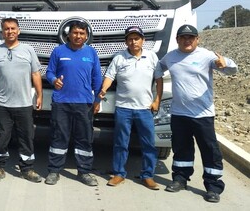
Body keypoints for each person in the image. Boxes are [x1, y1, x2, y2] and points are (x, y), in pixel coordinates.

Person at [158, 24, 237, 203]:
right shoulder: (170, 57)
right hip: (179, 114)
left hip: (203, 114)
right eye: (183, 37)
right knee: (181, 148)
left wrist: (226, 64)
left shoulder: (207, 56)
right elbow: (157, 70)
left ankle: (213, 187)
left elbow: (232, 70)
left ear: (197, 39)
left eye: (191, 38)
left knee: (210, 150)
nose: (187, 41)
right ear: (177, 39)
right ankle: (180, 179)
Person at [0, 18, 44, 183]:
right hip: (2, 104)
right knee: (0, 137)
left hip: (24, 104)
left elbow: (36, 74)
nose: (10, 31)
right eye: (6, 29)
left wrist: (40, 95)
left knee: (26, 138)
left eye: (13, 28)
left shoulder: (28, 50)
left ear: (18, 31)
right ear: (2, 32)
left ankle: (27, 169)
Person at [94, 26, 163, 190]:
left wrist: (157, 101)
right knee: (120, 143)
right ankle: (119, 174)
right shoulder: (119, 57)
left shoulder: (152, 57)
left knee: (148, 144)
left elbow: (159, 79)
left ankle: (148, 176)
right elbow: (109, 77)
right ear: (126, 42)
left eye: (137, 38)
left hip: (145, 109)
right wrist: (101, 94)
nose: (134, 41)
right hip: (123, 108)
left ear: (143, 40)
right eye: (130, 39)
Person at [44, 20, 102, 186]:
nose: (78, 36)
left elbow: (97, 78)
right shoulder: (59, 51)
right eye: (75, 33)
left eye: (82, 34)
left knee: (84, 139)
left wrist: (97, 100)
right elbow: (49, 72)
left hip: (84, 103)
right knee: (59, 137)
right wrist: (54, 80)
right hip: (61, 102)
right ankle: (54, 171)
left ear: (86, 36)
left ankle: (84, 172)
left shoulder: (91, 53)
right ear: (69, 34)